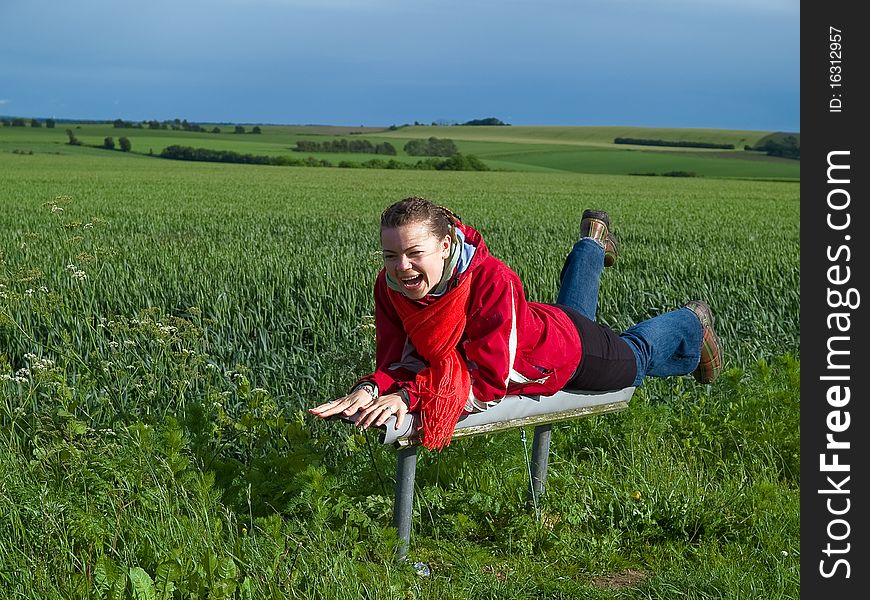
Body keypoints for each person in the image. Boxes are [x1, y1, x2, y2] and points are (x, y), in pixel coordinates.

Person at [309, 197, 722, 450]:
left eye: (414, 253)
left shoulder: (493, 280)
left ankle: (692, 322)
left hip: (561, 354)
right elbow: (400, 360)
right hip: (535, 329)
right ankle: (592, 243)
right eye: (390, 255)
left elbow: (488, 381)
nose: (402, 267)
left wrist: (410, 397)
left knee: (635, 357)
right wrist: (372, 387)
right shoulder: (392, 286)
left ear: (447, 245)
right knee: (577, 316)